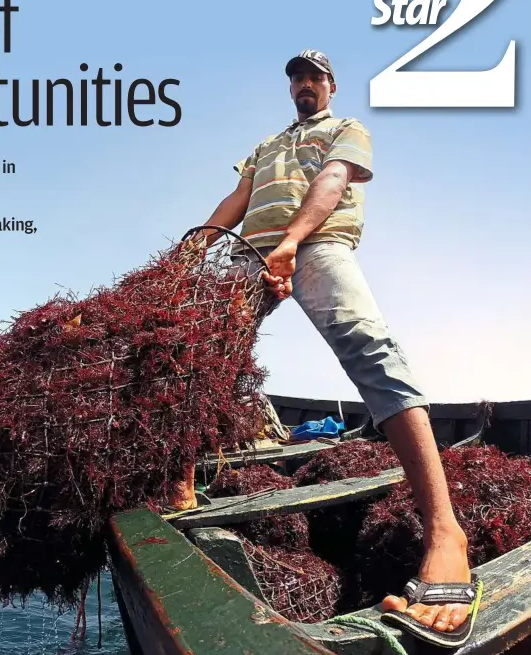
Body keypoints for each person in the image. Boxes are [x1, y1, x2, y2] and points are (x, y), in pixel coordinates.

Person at [179, 50, 477, 643]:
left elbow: (333, 179)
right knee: (201, 363)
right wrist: (197, 241)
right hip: (248, 254)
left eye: (314, 76)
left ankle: (446, 533)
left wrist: (291, 241)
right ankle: (180, 482)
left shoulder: (347, 129)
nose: (304, 84)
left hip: (315, 244)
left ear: (330, 85)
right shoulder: (266, 145)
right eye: (295, 77)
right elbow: (238, 199)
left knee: (372, 352)